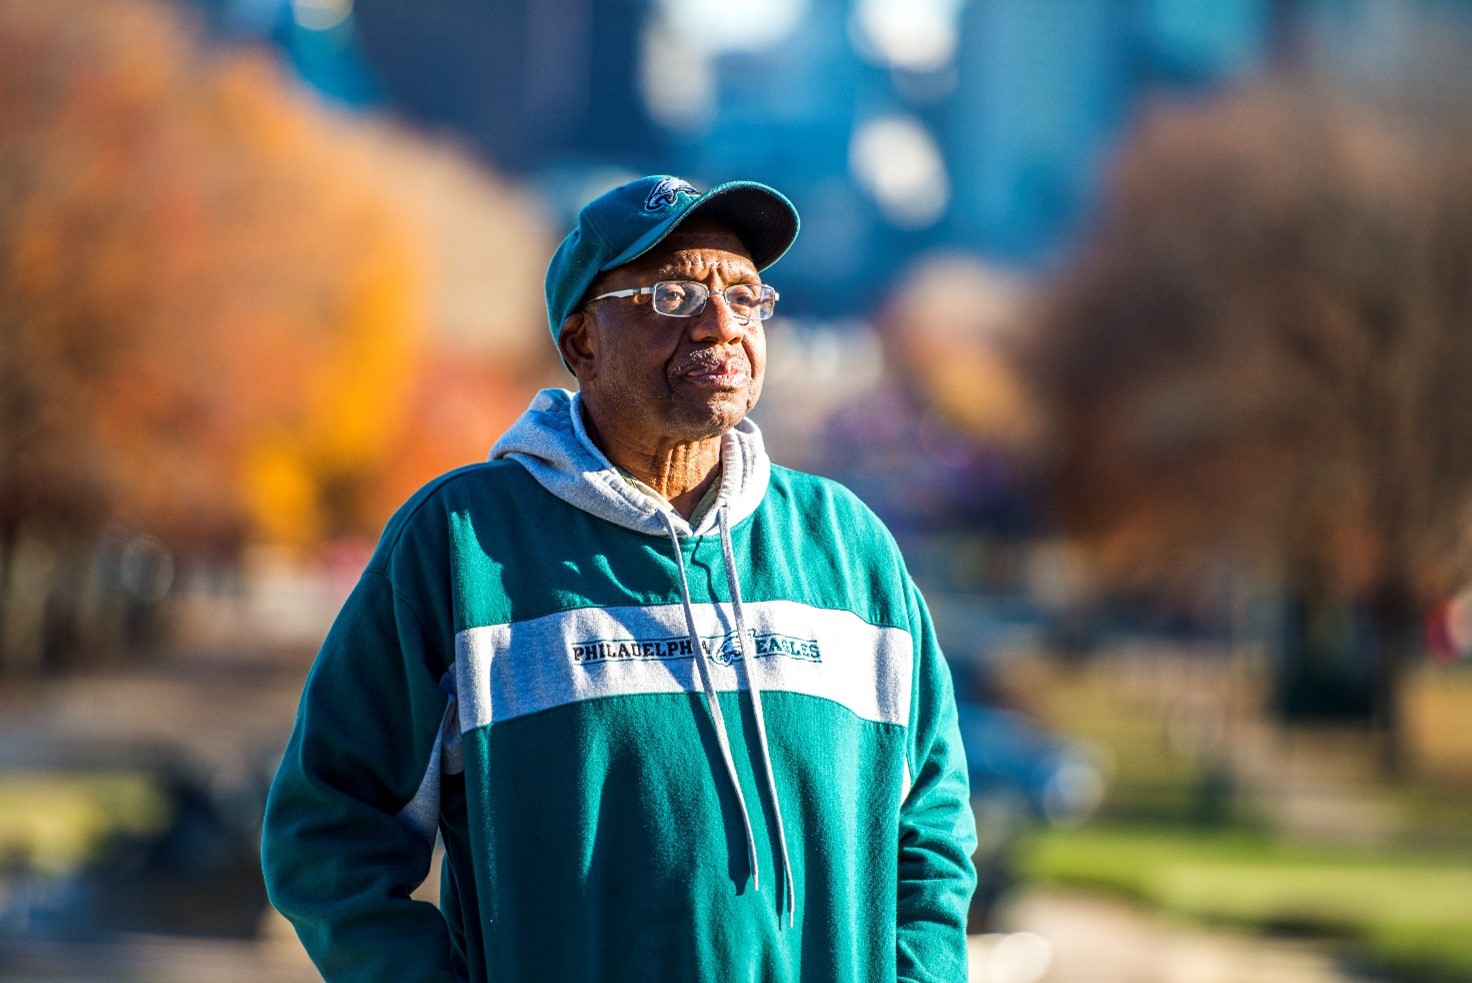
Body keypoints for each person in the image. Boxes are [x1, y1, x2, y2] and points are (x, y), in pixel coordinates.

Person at [261, 175, 977, 982]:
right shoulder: (462, 545)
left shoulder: (850, 550)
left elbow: (931, 829)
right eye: (672, 296)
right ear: (582, 345)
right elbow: (327, 831)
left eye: (745, 296)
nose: (720, 324)